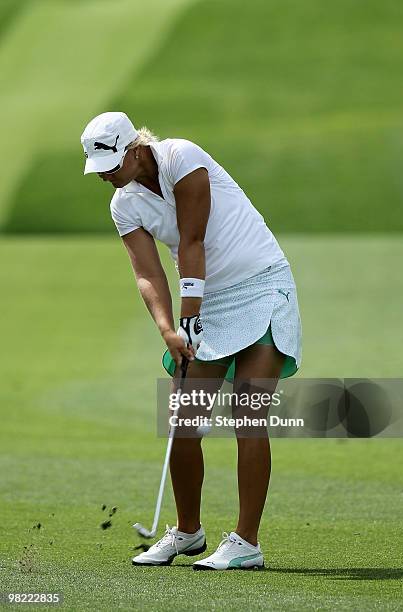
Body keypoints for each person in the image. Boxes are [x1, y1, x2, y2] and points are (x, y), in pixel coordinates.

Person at [80, 111, 302, 570]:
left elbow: (192, 240)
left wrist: (190, 315)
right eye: (98, 168)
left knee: (248, 414)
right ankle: (187, 531)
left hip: (260, 284)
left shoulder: (182, 157)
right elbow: (147, 273)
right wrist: (168, 328)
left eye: (111, 164)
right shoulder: (124, 204)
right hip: (204, 300)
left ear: (135, 150)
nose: (105, 174)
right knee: (184, 419)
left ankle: (246, 542)